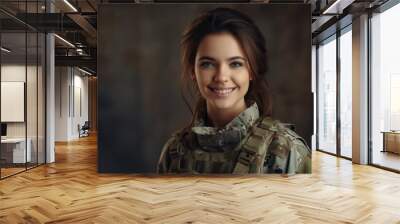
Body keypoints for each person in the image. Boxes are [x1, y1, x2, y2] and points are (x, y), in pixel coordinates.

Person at [157, 7, 311, 174]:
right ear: (193, 71)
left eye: (236, 64)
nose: (222, 77)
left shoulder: (288, 150)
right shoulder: (174, 151)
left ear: (252, 71)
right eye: (207, 64)